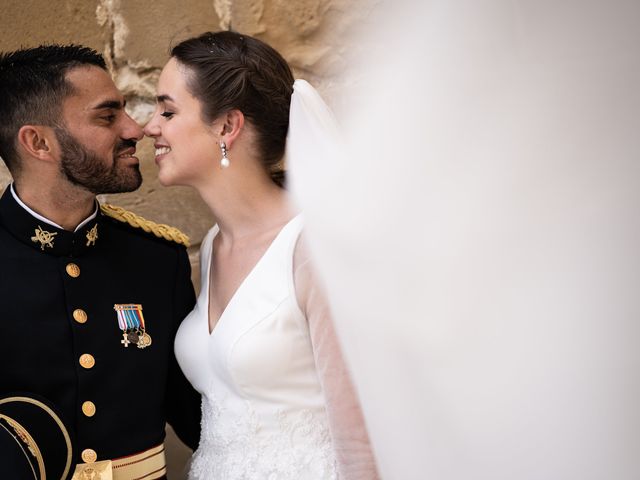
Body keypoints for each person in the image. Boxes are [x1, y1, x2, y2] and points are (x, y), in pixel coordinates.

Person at [143, 31, 379, 479]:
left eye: (168, 111)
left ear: (227, 126)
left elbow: (362, 439)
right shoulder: (214, 245)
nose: (149, 126)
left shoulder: (314, 249)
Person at [0, 44, 201, 479]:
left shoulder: (157, 259)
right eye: (107, 116)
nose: (135, 129)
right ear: (38, 142)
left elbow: (200, 421)